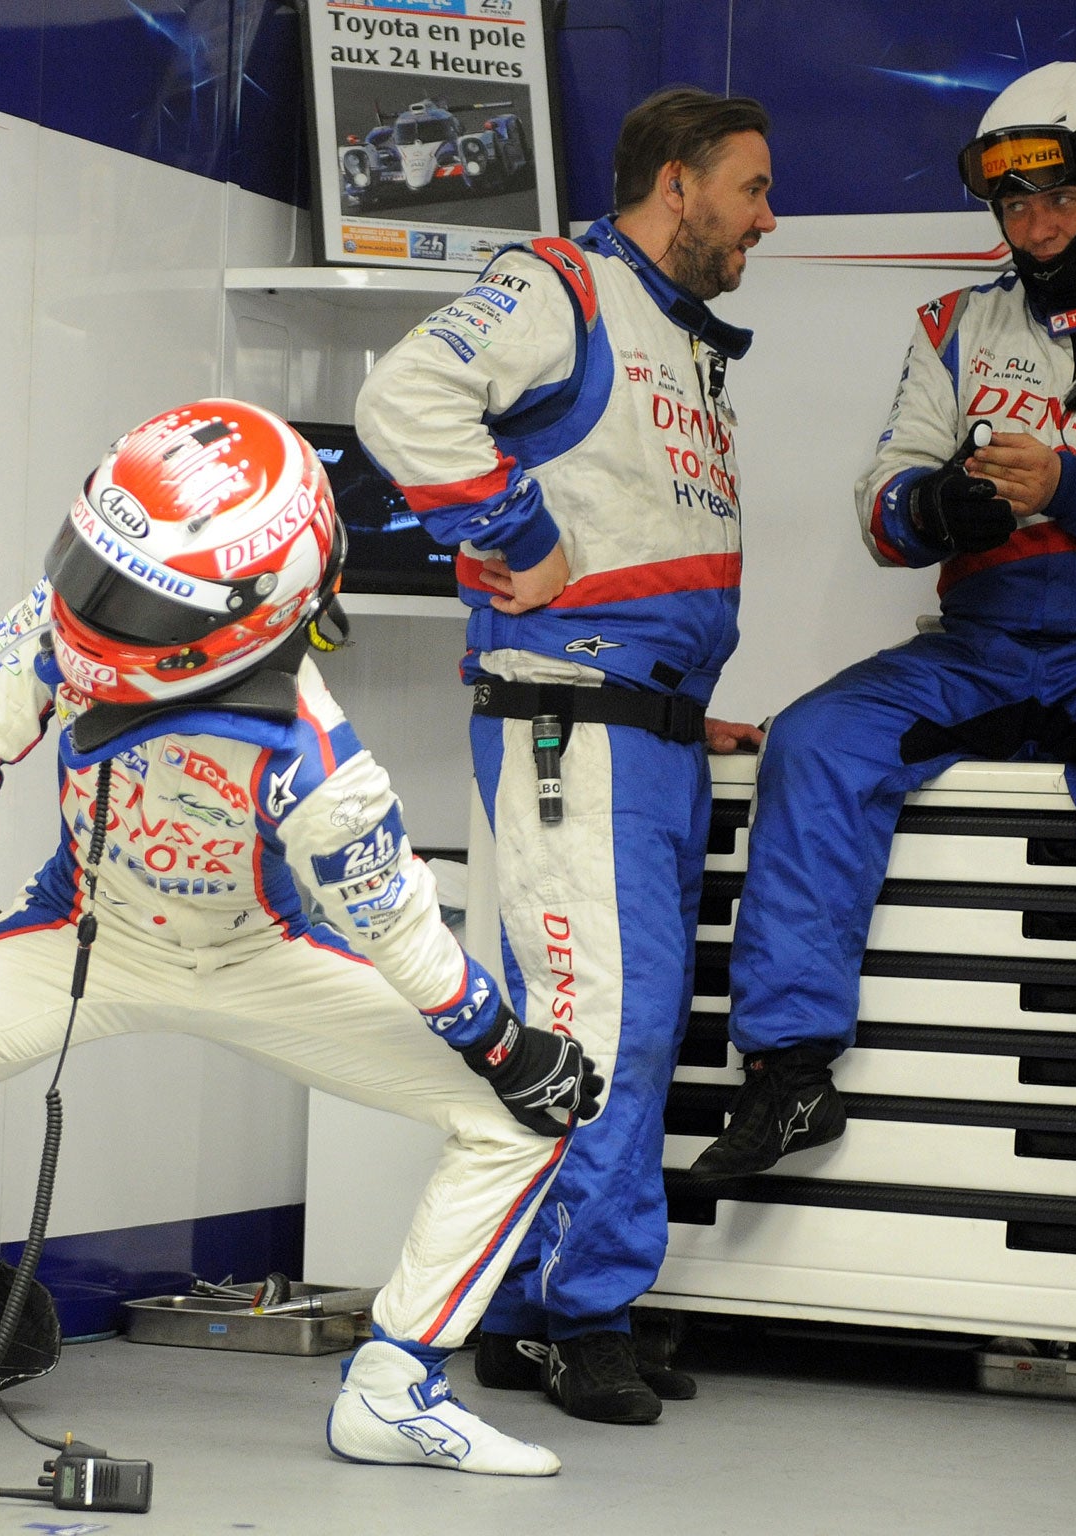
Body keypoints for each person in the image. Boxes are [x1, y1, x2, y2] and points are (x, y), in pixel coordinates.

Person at [0, 400, 605, 1501]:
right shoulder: (69, 615)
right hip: (82, 938)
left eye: (129, 596)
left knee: (528, 1109)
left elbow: (395, 926)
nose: (86, 611)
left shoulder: (319, 762)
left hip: (265, 960)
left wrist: (504, 1048)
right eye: (87, 567)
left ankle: (396, 1386)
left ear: (252, 610)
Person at [689, 62, 1076, 1224]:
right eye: (1012, 206)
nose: (1033, 224)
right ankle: (786, 1070)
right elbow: (881, 499)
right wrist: (939, 510)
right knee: (813, 741)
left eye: (1057, 196)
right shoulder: (956, 325)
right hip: (978, 641)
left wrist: (1070, 483)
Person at [354, 86, 773, 1425]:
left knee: (625, 1026)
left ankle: (539, 1306)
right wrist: (515, 535)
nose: (770, 215)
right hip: (572, 731)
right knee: (607, 1026)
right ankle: (579, 1312)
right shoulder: (563, 287)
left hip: (636, 726)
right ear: (678, 185)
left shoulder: (676, 330)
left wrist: (667, 689)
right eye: (752, 188)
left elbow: (635, 538)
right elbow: (404, 394)